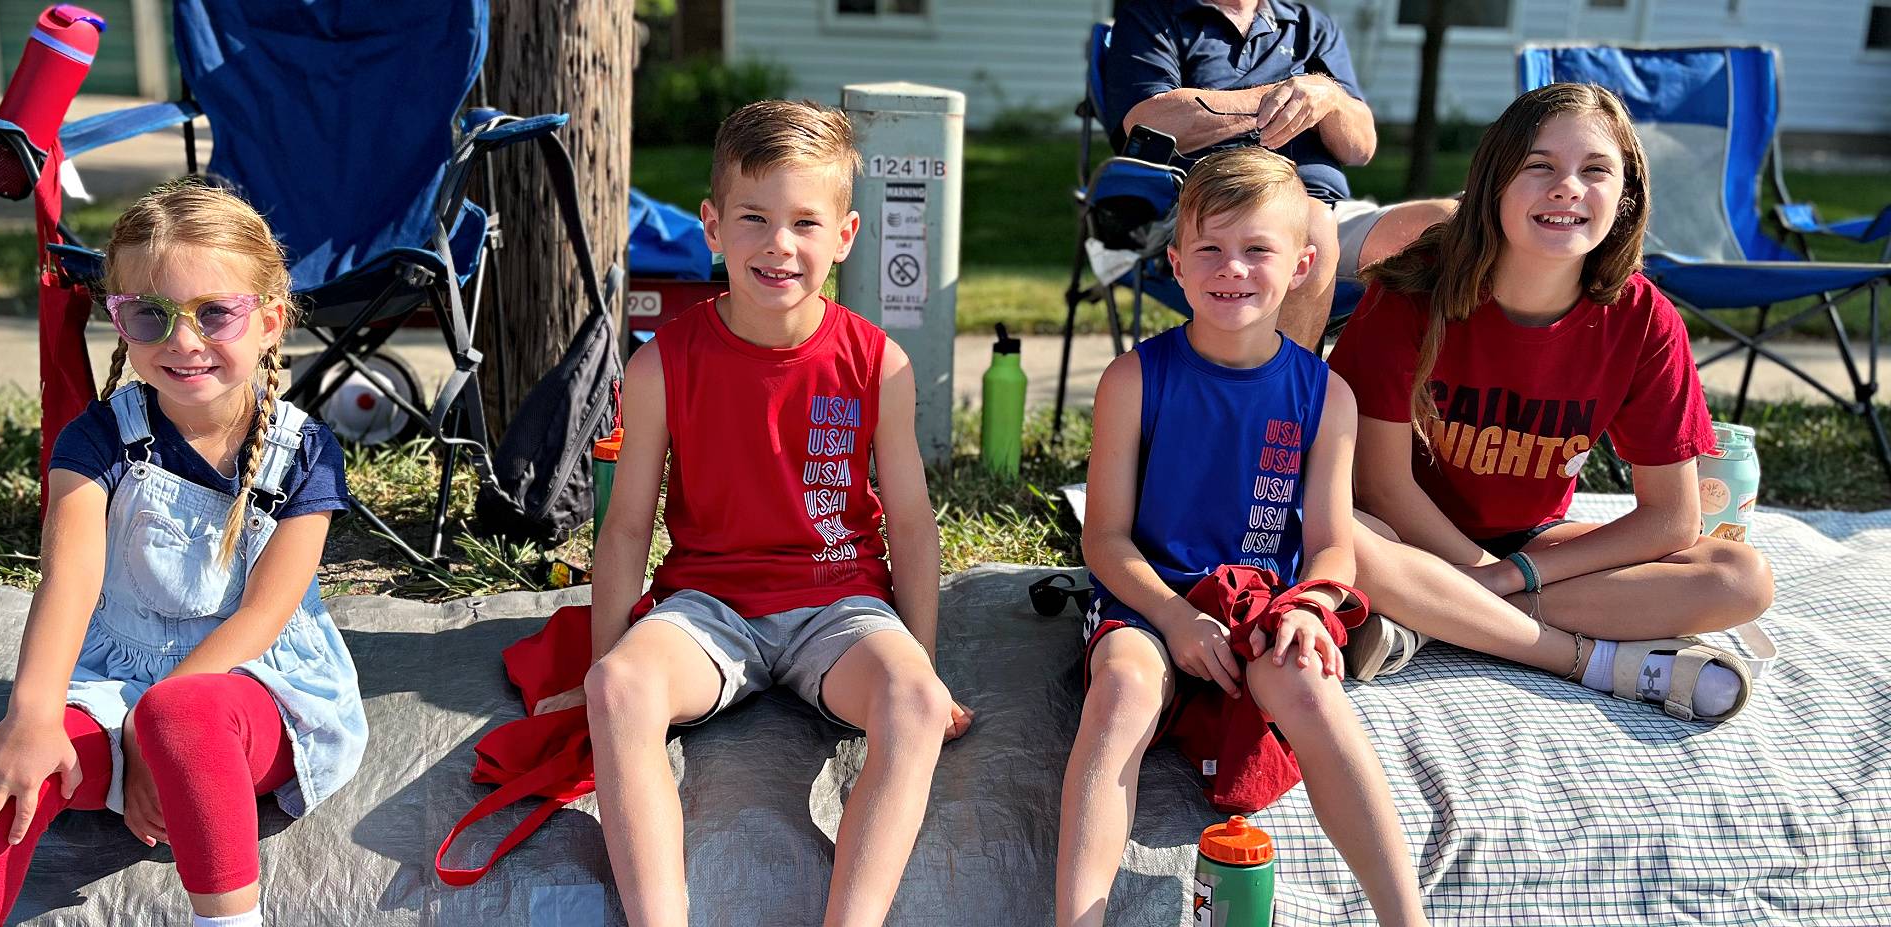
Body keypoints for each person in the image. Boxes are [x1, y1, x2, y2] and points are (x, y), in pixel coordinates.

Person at [0, 180, 367, 927]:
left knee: (183, 712)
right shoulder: (96, 440)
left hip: (250, 692)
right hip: (116, 678)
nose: (181, 341)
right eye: (148, 315)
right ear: (119, 325)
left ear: (270, 320)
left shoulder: (304, 452)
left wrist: (154, 729)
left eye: (215, 312)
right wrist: (32, 716)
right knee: (10, 774)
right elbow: (69, 579)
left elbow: (264, 615)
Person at [580, 100, 973, 927]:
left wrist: (924, 665)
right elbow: (623, 531)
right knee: (617, 688)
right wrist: (602, 660)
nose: (778, 245)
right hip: (709, 608)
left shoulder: (878, 361)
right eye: (753, 218)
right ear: (713, 227)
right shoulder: (661, 364)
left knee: (911, 703)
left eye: (804, 222)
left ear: (846, 235)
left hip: (841, 603)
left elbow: (910, 525)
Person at [1060, 147, 1430, 927]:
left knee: (1310, 687)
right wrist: (1175, 618)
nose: (1234, 269)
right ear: (1176, 266)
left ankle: (1407, 914)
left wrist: (1309, 605)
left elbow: (1333, 545)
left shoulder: (1326, 395)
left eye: (1257, 248)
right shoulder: (1134, 378)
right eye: (1211, 249)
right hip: (1150, 602)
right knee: (1123, 687)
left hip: (1264, 602)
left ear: (1300, 266)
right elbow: (1105, 540)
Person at [1327, 83, 1774, 723]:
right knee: (1338, 533)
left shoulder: (1644, 320)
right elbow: (1381, 485)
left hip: (1530, 544)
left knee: (1738, 575)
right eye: (1539, 166)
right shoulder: (1413, 291)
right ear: (1494, 184)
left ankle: (1430, 621)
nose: (1567, 187)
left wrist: (1510, 577)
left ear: (1625, 198)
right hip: (1400, 536)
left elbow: (1671, 520)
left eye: (1595, 171)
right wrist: (1481, 571)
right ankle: (1570, 655)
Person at [1103, 0, 1460, 347]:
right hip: (1216, 208)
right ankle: (1282, 402)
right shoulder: (1153, 15)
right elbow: (1146, 122)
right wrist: (1279, 98)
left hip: (1328, 209)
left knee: (1454, 225)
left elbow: (1361, 147)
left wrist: (1329, 98)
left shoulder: (1311, 26)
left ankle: (1396, 400)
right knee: (1311, 223)